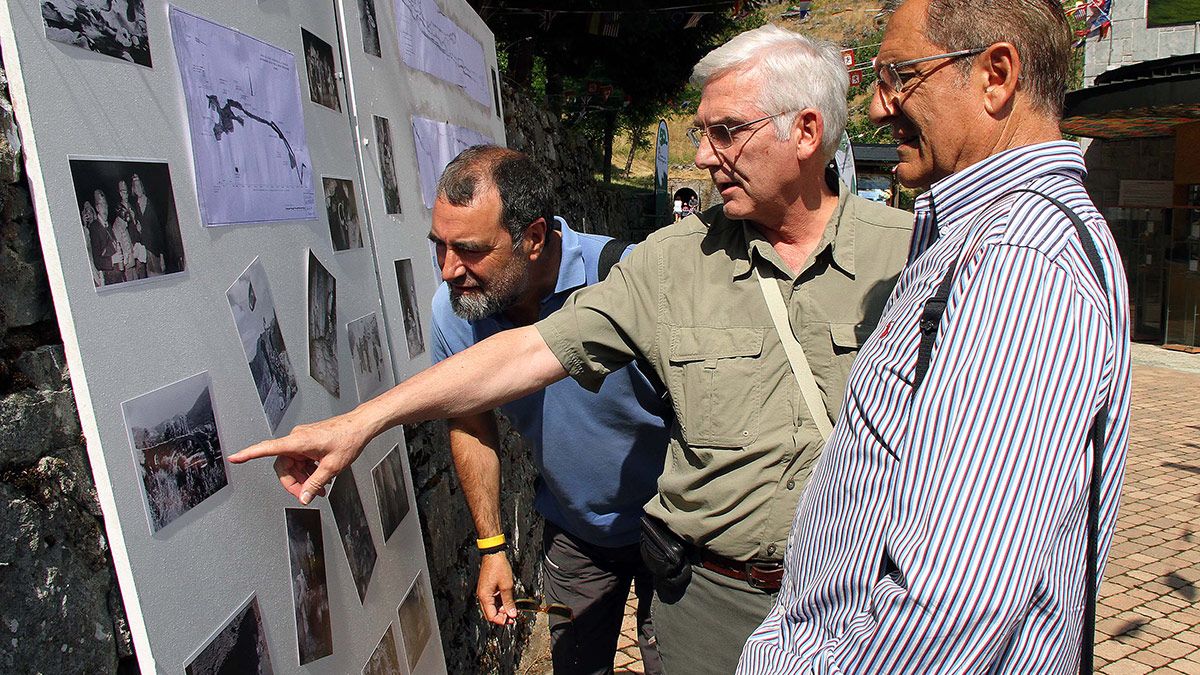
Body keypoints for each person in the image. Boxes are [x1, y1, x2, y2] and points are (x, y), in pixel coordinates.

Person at [230, 25, 913, 674]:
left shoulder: (916, 254)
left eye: (725, 132)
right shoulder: (671, 262)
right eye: (701, 134)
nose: (704, 156)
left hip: (862, 595)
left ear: (806, 131)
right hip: (701, 591)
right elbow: (520, 361)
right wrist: (360, 422)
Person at [738, 0, 1131, 672]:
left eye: (899, 76)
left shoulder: (1017, 255)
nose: (877, 108)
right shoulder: (986, 235)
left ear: (995, 75)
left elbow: (952, 600)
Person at [427, 145, 670, 674]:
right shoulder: (456, 313)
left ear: (533, 238)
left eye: (468, 250)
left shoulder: (629, 276)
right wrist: (492, 546)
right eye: (438, 246)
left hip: (672, 532)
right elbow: (471, 422)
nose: (448, 270)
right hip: (577, 539)